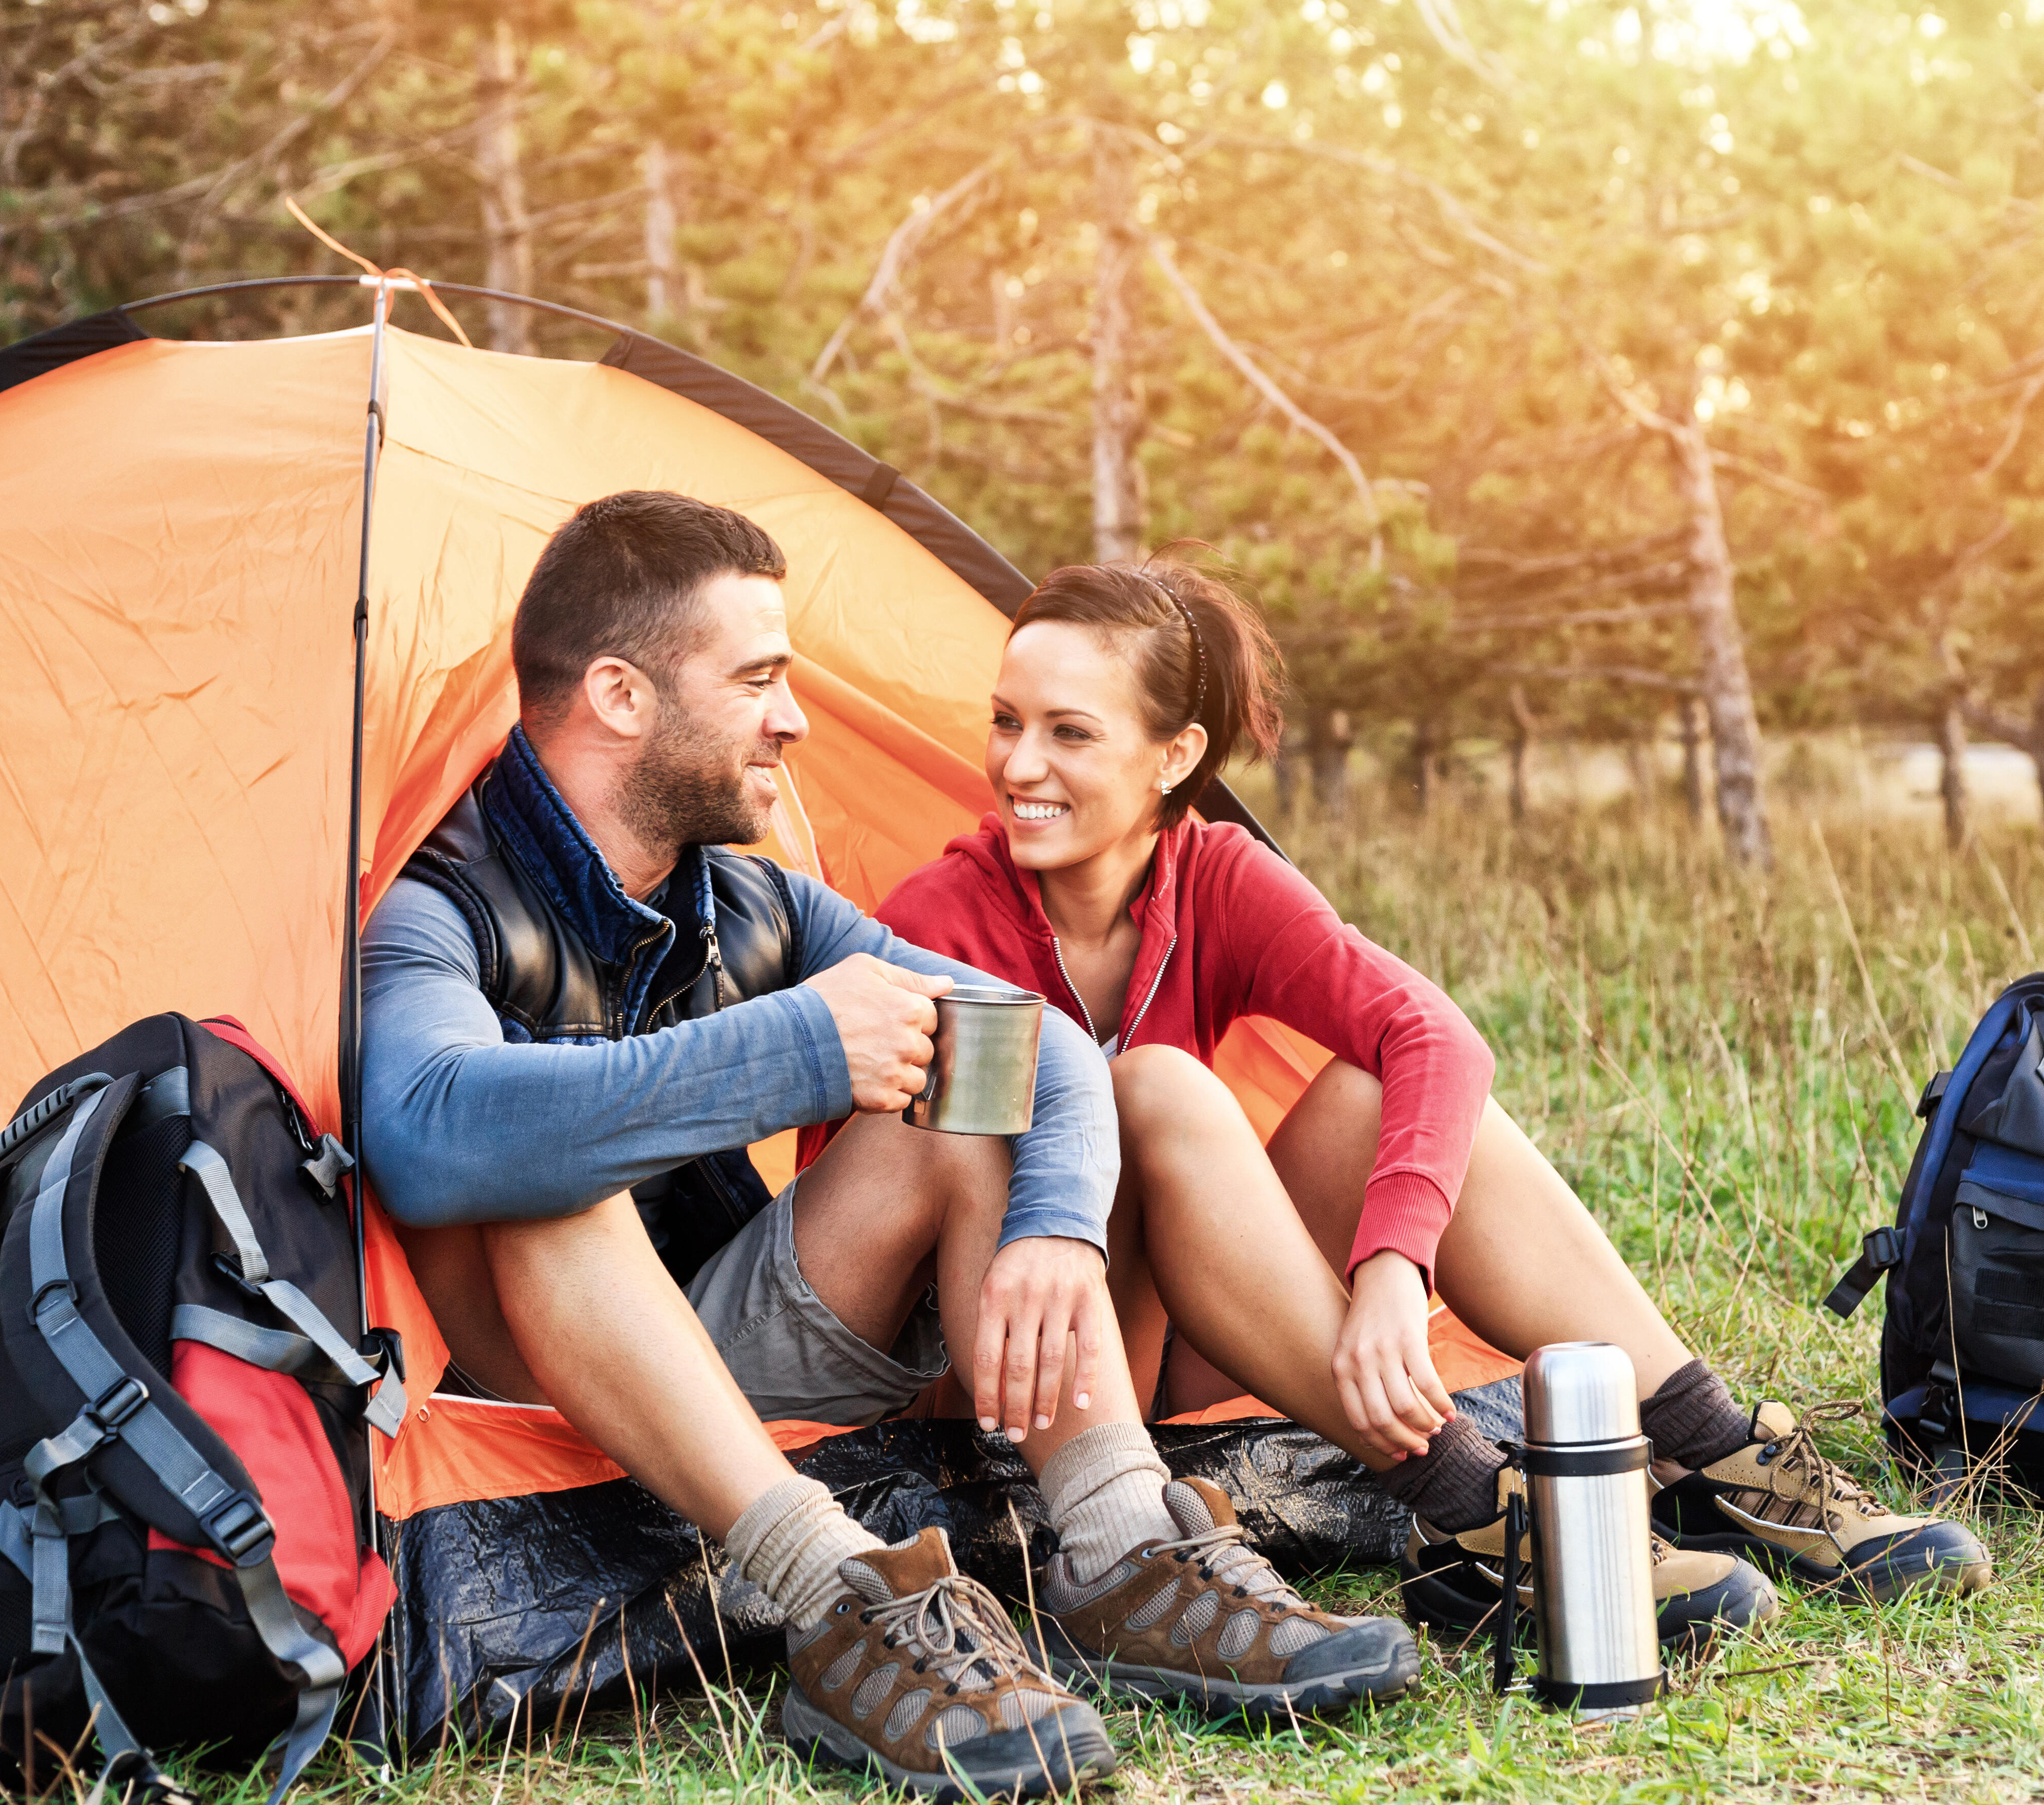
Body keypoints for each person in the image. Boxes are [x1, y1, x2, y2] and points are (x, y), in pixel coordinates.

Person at [357, 495, 1418, 1803]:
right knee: (540, 1171)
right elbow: (424, 1133)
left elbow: (1045, 1052)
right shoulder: (435, 907)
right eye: (757, 680)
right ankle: (836, 1594)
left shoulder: (745, 897)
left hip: (722, 1336)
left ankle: (1116, 1546)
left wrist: (1054, 1229)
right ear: (621, 695)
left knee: (964, 1085)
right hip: (541, 1402)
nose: (794, 718)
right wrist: (799, 1048)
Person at [872, 556, 1995, 1654]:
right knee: (1156, 1085)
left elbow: (1434, 1034)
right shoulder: (940, 915)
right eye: (1006, 720)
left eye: (1069, 731)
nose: (1019, 762)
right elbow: (900, 1215)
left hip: (1181, 1344)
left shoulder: (1210, 875)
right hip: (1015, 1359)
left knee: (1380, 1089)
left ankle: (1707, 1450)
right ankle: (1471, 1507)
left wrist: (1392, 1266)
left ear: (1176, 755)